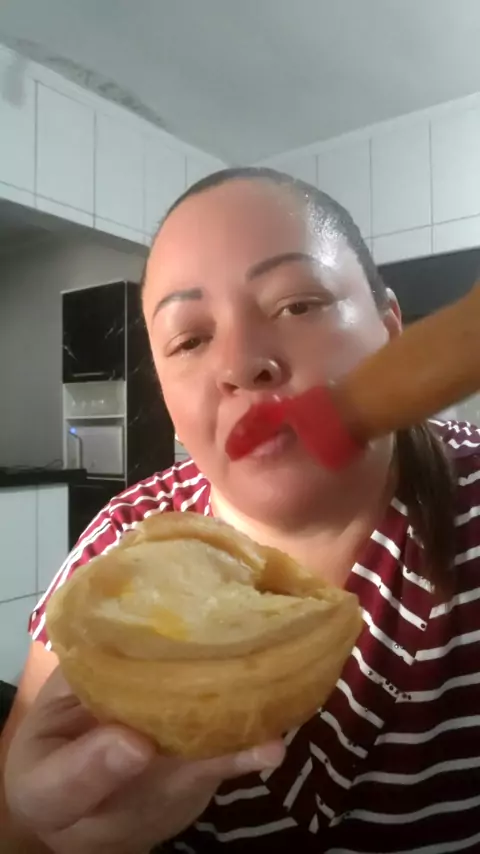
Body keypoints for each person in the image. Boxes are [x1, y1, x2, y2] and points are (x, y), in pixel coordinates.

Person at [1, 167, 480, 854]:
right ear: (167, 399)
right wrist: (51, 836)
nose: (242, 364)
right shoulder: (119, 553)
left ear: (389, 328)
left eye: (298, 304)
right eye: (190, 340)